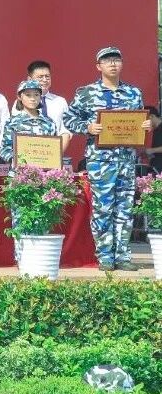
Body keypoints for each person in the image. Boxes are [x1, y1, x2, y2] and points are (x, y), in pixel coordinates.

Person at [63, 46, 149, 271]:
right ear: (98, 66)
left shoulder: (133, 93)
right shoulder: (86, 93)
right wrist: (88, 127)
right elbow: (69, 118)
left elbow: (138, 120)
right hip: (100, 161)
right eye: (107, 60)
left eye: (117, 60)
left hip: (126, 159)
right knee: (103, 208)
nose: (113, 64)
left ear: (122, 64)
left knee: (125, 208)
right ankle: (105, 256)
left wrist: (145, 125)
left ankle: (123, 255)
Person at [0, 79, 59, 261]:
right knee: (20, 216)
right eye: (28, 95)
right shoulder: (13, 122)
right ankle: (22, 258)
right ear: (20, 97)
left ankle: (39, 258)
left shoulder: (49, 123)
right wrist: (16, 160)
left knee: (43, 214)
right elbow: (4, 148)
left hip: (43, 178)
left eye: (36, 95)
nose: (33, 98)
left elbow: (53, 149)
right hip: (20, 178)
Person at [23, 60, 72, 152]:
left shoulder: (60, 102)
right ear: (29, 79)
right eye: (40, 77)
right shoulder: (21, 102)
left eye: (47, 76)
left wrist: (56, 154)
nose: (45, 80)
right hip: (28, 153)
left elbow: (65, 131)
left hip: (54, 152)